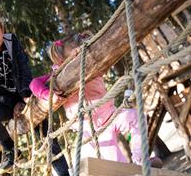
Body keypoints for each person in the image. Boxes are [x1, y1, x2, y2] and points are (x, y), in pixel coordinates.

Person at [0, 8, 70, 176]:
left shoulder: (11, 42)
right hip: (6, 102)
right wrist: (12, 104)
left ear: (3, 31)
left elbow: (24, 69)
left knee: (48, 138)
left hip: (28, 96)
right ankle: (10, 149)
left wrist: (25, 96)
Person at [30, 32, 143, 165]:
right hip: (88, 128)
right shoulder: (58, 76)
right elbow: (34, 83)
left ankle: (141, 160)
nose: (80, 57)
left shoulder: (93, 64)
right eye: (75, 55)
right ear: (62, 61)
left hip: (110, 115)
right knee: (114, 162)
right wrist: (48, 95)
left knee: (135, 117)